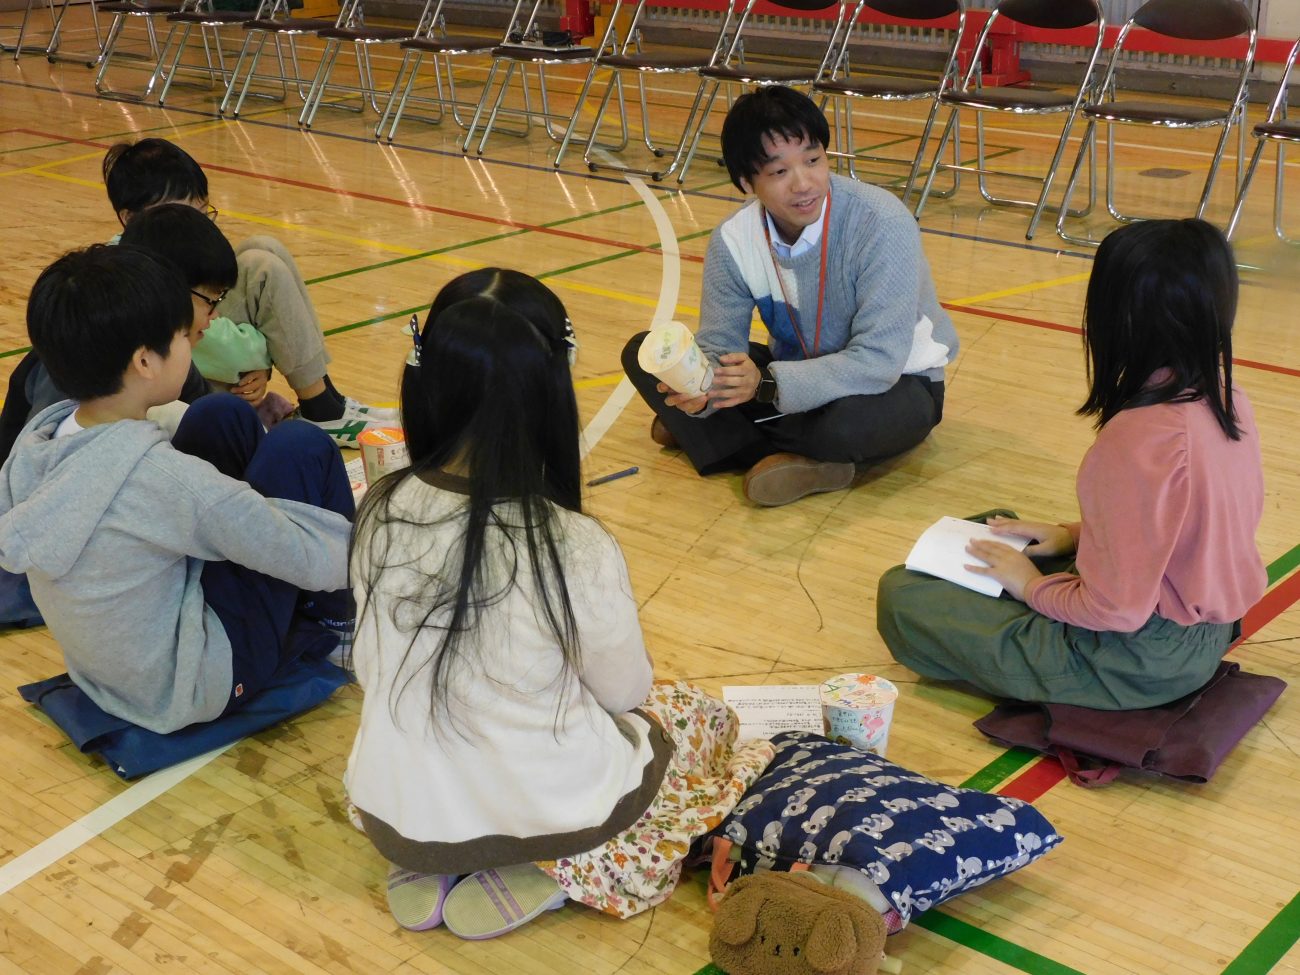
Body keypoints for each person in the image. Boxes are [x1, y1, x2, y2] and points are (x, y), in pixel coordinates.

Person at [344, 268, 772, 939]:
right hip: (545, 803)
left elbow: (371, 668)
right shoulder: (568, 541)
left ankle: (430, 856)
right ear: (551, 392)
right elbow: (625, 687)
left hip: (396, 802)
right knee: (694, 718)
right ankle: (549, 868)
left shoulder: (379, 504)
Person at [876, 219, 1267, 710]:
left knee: (903, 597)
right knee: (993, 529)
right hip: (1209, 630)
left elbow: (1118, 610)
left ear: (1119, 317)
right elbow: (1187, 527)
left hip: (1135, 661)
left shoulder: (1137, 441)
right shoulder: (1227, 396)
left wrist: (1030, 586)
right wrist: (1074, 534)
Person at [0, 244, 354, 734]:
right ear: (145, 362)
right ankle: (341, 630)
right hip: (193, 684)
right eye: (184, 337)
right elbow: (302, 552)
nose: (193, 345)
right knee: (300, 446)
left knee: (219, 415)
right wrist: (384, 553)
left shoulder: (39, 439)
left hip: (112, 674)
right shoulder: (162, 480)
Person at [621, 86, 959, 507]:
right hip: (792, 376)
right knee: (645, 354)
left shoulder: (880, 221)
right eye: (779, 172)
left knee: (846, 425)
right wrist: (700, 390)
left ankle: (730, 439)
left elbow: (879, 362)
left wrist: (761, 386)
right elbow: (719, 344)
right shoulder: (733, 239)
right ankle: (798, 457)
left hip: (896, 384)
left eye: (814, 160)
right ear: (747, 181)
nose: (804, 184)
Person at [102, 137, 395, 446]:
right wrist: (267, 356)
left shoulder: (171, 252)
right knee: (262, 269)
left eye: (203, 213)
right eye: (182, 215)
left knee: (264, 250)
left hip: (212, 368)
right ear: (130, 218)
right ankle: (320, 409)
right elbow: (217, 349)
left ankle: (326, 397)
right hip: (185, 390)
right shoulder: (136, 275)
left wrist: (264, 366)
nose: (199, 226)